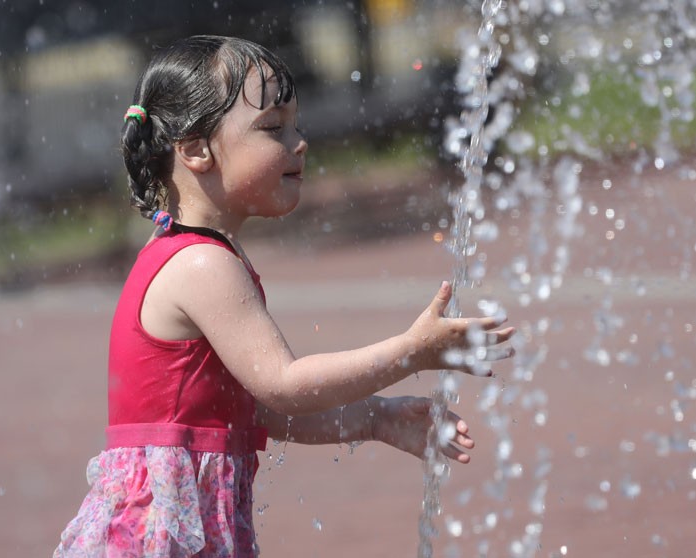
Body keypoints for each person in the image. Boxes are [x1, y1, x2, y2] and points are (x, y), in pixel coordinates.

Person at [53, 35, 515, 558]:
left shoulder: (198, 255)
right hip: (159, 541)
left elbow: (255, 410)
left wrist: (374, 417)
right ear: (195, 149)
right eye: (273, 128)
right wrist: (412, 351)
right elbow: (284, 385)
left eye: (296, 125)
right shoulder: (202, 265)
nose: (299, 142)